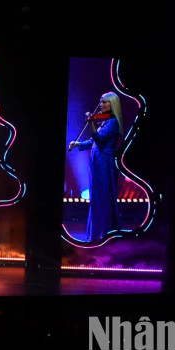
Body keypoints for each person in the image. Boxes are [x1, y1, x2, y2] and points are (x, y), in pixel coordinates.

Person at [68, 92, 123, 242]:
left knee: (103, 198)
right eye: (100, 101)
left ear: (113, 104)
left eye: (105, 102)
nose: (101, 105)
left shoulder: (113, 122)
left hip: (105, 163)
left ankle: (104, 233)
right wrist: (78, 143)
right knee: (96, 197)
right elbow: (93, 141)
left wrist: (91, 122)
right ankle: (97, 233)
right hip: (97, 162)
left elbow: (98, 139)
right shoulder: (105, 121)